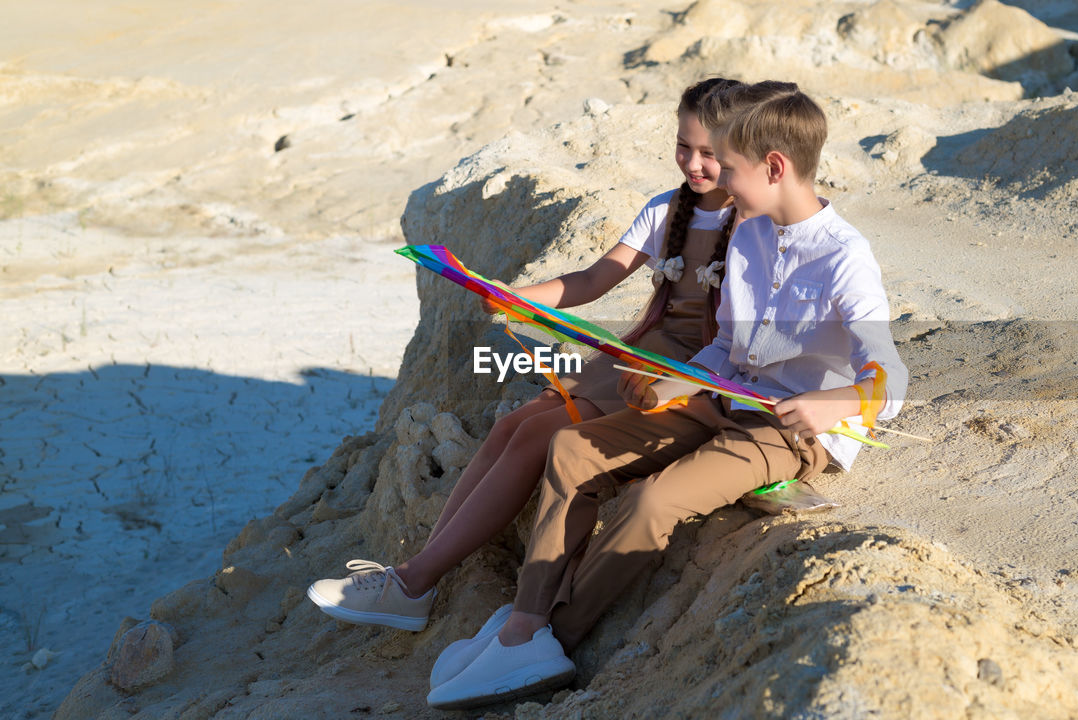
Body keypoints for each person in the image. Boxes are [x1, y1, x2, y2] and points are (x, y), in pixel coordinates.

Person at [425, 80, 908, 710]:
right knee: (571, 448)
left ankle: (554, 639)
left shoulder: (846, 258)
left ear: (775, 166)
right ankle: (524, 622)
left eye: (729, 169)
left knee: (653, 501)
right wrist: (670, 383)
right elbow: (727, 351)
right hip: (724, 395)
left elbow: (890, 378)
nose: (721, 187)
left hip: (788, 431)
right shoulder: (752, 236)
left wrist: (833, 403)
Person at [305, 78, 742, 635]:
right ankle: (413, 579)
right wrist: (512, 297)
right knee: (516, 423)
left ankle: (412, 583)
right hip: (636, 356)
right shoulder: (666, 209)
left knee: (539, 436)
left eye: (710, 153)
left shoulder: (753, 225)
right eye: (685, 146)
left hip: (689, 373)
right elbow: (592, 278)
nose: (694, 163)